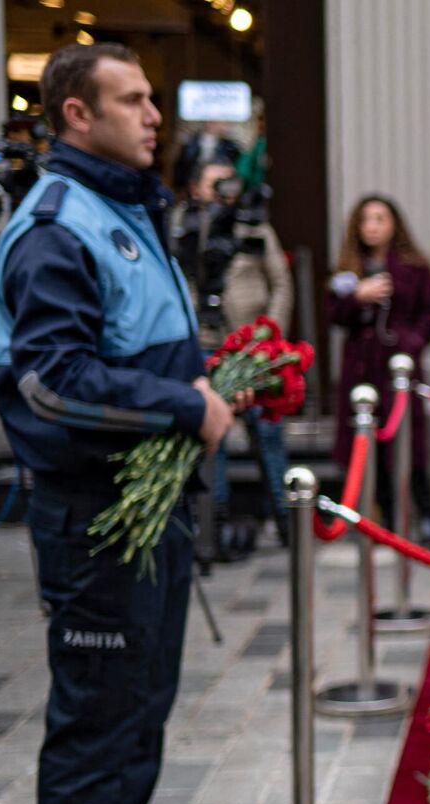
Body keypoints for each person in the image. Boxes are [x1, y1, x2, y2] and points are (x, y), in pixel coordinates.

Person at [0, 43, 242, 804]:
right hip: (95, 514)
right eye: (130, 101)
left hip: (151, 504)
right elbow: (51, 382)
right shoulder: (56, 225)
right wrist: (186, 408)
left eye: (151, 100)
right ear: (73, 117)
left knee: (142, 696)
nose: (153, 117)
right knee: (95, 714)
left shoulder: (125, 205)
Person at [172, 160, 294, 552]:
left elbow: (280, 283)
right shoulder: (182, 224)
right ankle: (215, 523)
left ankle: (289, 517)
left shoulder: (252, 223)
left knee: (268, 431)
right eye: (214, 182)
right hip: (205, 341)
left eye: (229, 181)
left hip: (251, 348)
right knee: (213, 434)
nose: (224, 189)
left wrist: (269, 335)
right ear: (195, 188)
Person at [327, 194, 430, 543]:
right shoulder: (349, 270)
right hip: (362, 366)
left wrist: (410, 342)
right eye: (366, 220)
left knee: (408, 441)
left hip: (398, 368)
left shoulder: (415, 266)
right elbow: (332, 315)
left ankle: (425, 513)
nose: (372, 227)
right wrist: (356, 297)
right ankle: (384, 515)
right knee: (367, 441)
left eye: (379, 219)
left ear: (394, 224)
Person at [171, 119, 239, 194]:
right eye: (215, 123)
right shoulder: (191, 143)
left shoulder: (229, 146)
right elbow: (183, 166)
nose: (221, 126)